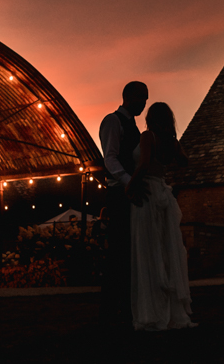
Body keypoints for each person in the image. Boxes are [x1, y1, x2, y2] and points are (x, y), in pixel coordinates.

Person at [126, 102, 194, 331]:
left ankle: (152, 311)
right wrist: (175, 150)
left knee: (147, 249)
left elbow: (143, 163)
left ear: (150, 118)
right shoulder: (171, 142)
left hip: (147, 194)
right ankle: (172, 311)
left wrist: (130, 186)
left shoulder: (148, 137)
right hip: (163, 193)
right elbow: (185, 161)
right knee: (165, 249)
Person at [99, 81, 148, 329]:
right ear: (129, 97)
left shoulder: (133, 126)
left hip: (130, 193)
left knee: (129, 252)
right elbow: (110, 157)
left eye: (146, 99)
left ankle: (126, 305)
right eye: (142, 98)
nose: (144, 103)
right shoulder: (113, 121)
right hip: (119, 194)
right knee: (118, 251)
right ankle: (110, 309)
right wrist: (129, 182)